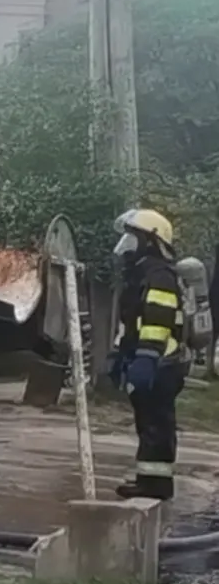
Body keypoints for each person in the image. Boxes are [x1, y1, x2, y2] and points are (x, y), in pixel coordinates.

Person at [108, 208, 187, 501]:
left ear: (151, 242)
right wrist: (121, 354)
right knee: (148, 422)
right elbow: (133, 322)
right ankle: (149, 481)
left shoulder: (159, 275)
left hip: (161, 362)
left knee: (157, 422)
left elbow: (157, 320)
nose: (127, 244)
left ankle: (158, 486)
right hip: (149, 360)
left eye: (133, 238)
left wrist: (146, 357)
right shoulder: (141, 273)